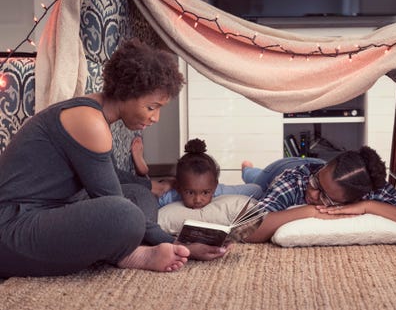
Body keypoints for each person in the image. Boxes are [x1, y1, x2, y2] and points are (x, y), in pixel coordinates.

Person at [0, 39, 229, 279]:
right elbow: (111, 198)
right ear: (126, 93)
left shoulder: (92, 111)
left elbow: (107, 174)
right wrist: (182, 244)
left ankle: (125, 248)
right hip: (12, 226)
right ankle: (131, 254)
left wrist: (150, 185)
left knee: (140, 196)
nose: (156, 118)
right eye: (152, 107)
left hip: (51, 209)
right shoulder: (90, 122)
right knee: (125, 215)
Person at [240, 146, 396, 243]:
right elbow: (245, 229)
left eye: (326, 197)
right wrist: (310, 212)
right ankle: (247, 168)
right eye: (316, 183)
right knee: (255, 182)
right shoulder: (294, 180)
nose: (314, 194)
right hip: (281, 167)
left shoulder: (368, 190)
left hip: (322, 167)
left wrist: (368, 207)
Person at [131, 137, 263, 209]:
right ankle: (143, 172)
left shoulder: (221, 191)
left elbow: (257, 190)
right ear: (178, 187)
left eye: (205, 192)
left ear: (214, 186)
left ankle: (247, 169)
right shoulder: (170, 196)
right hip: (164, 185)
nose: (198, 200)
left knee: (257, 180)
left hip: (250, 175)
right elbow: (147, 201)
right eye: (190, 192)